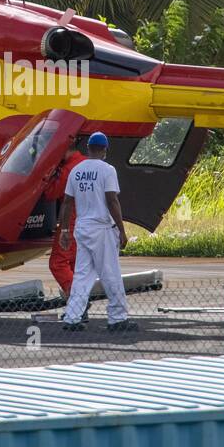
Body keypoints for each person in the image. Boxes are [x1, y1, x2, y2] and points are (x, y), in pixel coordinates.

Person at [56, 132, 135, 332]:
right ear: (105, 149)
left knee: (83, 275)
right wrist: (122, 229)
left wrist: (64, 229)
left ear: (89, 148)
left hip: (82, 229)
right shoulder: (107, 170)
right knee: (111, 273)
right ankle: (117, 318)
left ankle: (72, 317)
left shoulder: (76, 171)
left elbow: (66, 202)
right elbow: (112, 200)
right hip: (102, 229)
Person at [45, 144, 86, 296]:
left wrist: (49, 173)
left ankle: (77, 299)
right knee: (76, 264)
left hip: (72, 219)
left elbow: (50, 193)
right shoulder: (86, 162)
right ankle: (79, 306)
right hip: (90, 221)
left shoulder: (68, 169)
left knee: (58, 263)